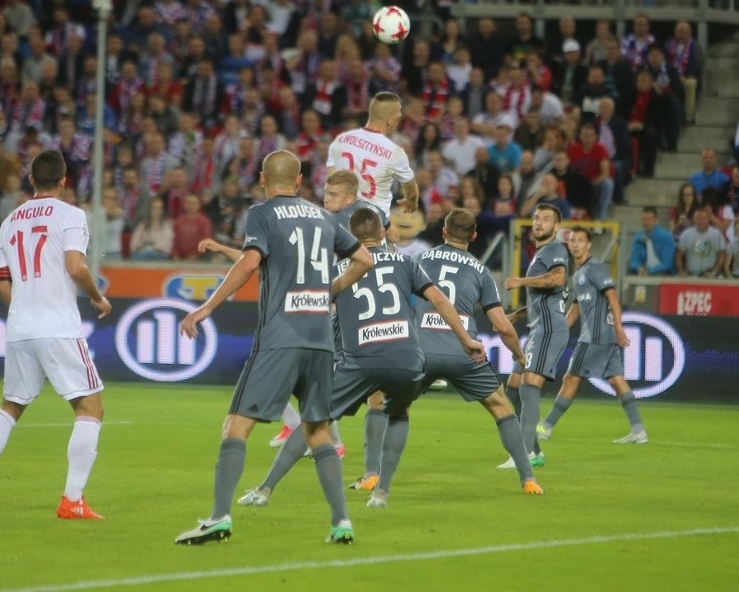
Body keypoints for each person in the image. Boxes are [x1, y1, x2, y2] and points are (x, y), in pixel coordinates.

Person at [174, 150, 374, 546]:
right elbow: (364, 259)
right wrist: (329, 291)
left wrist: (206, 307)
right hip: (320, 341)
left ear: (264, 179)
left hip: (280, 337)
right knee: (317, 432)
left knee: (236, 425)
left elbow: (250, 263)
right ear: (299, 180)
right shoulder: (324, 216)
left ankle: (218, 517)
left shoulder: (261, 214)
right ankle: (342, 522)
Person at [229, 207, 487, 509]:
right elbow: (440, 300)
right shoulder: (406, 262)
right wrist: (466, 339)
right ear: (382, 233)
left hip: (360, 361)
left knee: (314, 423)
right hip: (406, 358)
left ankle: (264, 490)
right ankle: (381, 493)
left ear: (351, 237)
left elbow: (316, 307)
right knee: (399, 414)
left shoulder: (340, 268)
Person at [0, 150, 112, 519]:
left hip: (19, 327)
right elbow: (76, 266)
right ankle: (72, 499)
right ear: (63, 181)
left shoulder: (9, 222)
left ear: (30, 181)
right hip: (58, 326)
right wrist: (97, 296)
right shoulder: (71, 215)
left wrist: (26, 307)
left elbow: (2, 288)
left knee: (10, 407)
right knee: (90, 406)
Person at [415, 209, 543, 495]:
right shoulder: (481, 271)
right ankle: (528, 479)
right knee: (500, 406)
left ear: (444, 231)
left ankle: (373, 476)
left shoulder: (419, 260)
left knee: (387, 405)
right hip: (465, 352)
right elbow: (503, 326)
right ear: (474, 236)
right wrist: (520, 357)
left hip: (421, 351)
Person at [537, 227, 649, 444]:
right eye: (572, 241)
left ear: (589, 245)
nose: (575, 244)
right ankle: (638, 430)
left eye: (580, 240)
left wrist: (618, 325)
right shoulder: (578, 273)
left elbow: (613, 297)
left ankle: (546, 426)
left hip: (595, 336)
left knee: (570, 378)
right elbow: (576, 309)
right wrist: (558, 331)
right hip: (603, 336)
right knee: (617, 381)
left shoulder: (595, 268)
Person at [500, 204, 569, 468]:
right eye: (536, 218)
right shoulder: (542, 252)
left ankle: (524, 453)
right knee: (514, 388)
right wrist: (516, 316)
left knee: (529, 385)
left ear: (557, 226)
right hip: (538, 327)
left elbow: (558, 279)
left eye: (547, 219)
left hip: (550, 329)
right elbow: (544, 297)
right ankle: (535, 452)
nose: (539, 223)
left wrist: (521, 281)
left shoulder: (555, 250)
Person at [326, 91, 419, 215]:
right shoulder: (394, 153)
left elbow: (331, 178)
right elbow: (411, 191)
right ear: (390, 120)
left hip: (341, 218)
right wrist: (411, 202)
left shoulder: (341, 140)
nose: (399, 118)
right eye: (398, 115)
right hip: (373, 222)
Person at [675, 207, 726, 277]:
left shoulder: (716, 234)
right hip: (691, 275)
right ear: (693, 220)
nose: (700, 221)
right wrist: (681, 271)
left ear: (708, 220)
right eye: (697, 218)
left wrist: (714, 272)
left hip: (711, 275)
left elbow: (722, 255)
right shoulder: (686, 234)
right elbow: (678, 256)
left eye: (703, 219)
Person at [628, 207, 676, 275]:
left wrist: (651, 271)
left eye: (649, 219)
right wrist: (638, 268)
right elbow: (634, 261)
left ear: (656, 221)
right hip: (645, 273)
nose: (646, 222)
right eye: (643, 219)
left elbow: (667, 264)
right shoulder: (638, 237)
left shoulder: (666, 237)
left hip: (664, 274)